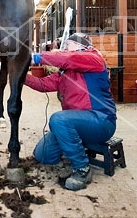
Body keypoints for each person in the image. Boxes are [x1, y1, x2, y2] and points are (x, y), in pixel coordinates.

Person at [25, 33, 117, 191]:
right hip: (75, 124)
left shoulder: (93, 58)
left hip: (100, 121)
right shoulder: (65, 72)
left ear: (82, 46)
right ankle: (73, 147)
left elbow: (68, 58)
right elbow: (42, 84)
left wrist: (35, 57)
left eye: (68, 46)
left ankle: (82, 169)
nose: (64, 49)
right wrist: (19, 75)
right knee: (43, 155)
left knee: (58, 120)